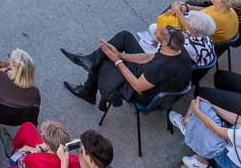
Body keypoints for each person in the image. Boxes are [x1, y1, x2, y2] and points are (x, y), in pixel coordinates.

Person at [61, 25, 194, 109]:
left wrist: (118, 61)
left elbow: (138, 86)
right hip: (147, 74)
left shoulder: (161, 67)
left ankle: (88, 92)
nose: (157, 29)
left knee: (105, 63)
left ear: (165, 43)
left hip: (143, 93)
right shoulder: (178, 50)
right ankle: (90, 60)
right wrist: (120, 55)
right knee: (125, 37)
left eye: (160, 31)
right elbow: (149, 57)